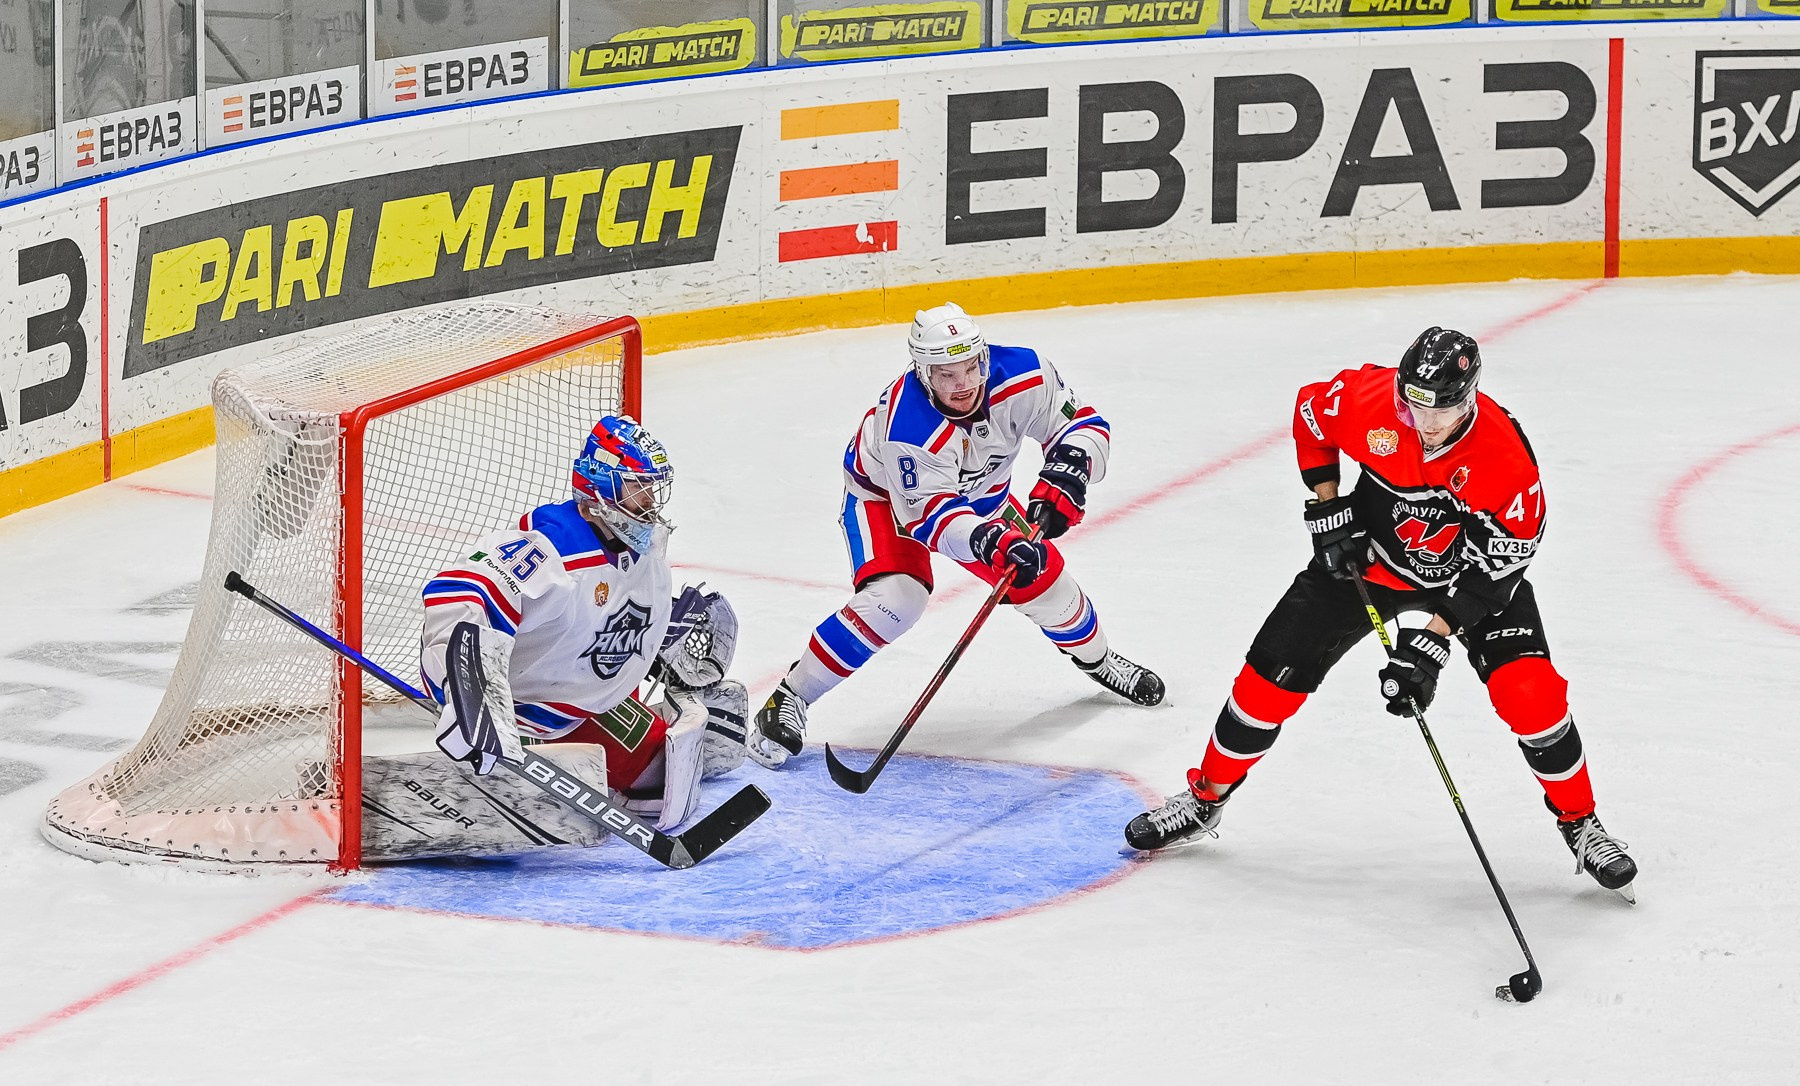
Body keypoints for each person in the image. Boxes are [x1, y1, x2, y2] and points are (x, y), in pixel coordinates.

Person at [1125, 327, 1638, 901]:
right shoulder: (1368, 399)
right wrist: (1328, 506)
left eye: (1440, 411)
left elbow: (1501, 567)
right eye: (1413, 407)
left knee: (1530, 693)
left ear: (1469, 398)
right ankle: (1205, 800)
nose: (1425, 424)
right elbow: (1311, 419)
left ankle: (1580, 822)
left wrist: (1434, 638)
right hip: (1367, 565)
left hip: (1470, 580)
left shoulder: (1505, 459)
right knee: (1265, 681)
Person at [747, 303, 1164, 770]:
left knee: (1047, 584)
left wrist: (1071, 467)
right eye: (946, 374)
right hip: (886, 501)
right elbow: (933, 518)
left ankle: (1100, 660)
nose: (963, 383)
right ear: (923, 374)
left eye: (971, 367)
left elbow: (1083, 424)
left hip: (984, 498)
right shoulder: (908, 427)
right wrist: (992, 541)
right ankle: (792, 695)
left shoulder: (1025, 372)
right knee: (896, 601)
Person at [418, 415, 747, 834]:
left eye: (652, 488)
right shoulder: (552, 548)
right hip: (522, 713)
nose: (649, 501)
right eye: (637, 486)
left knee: (667, 774)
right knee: (656, 779)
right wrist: (468, 693)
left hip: (581, 704)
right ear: (600, 484)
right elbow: (459, 594)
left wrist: (652, 642)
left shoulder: (642, 548)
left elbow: (598, 614)